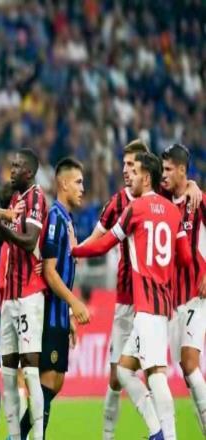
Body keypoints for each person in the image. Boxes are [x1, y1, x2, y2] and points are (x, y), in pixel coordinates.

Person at [72, 152, 193, 440]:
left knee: (156, 373)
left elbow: (103, 245)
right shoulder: (173, 212)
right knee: (124, 371)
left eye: (136, 172)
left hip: (148, 307)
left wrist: (73, 250)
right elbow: (186, 259)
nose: (132, 178)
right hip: (159, 305)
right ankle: (156, 430)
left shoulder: (135, 208)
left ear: (146, 178)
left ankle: (168, 435)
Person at [82, 139, 149, 439]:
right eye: (123, 164)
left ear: (144, 168)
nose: (125, 169)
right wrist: (71, 253)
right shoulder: (117, 202)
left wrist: (193, 187)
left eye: (131, 164)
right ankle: (108, 436)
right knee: (115, 378)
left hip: (153, 303)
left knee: (155, 372)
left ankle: (162, 430)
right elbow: (95, 239)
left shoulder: (159, 200)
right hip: (124, 299)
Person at [30, 157, 89, 439]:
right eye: (78, 182)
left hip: (59, 315)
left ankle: (18, 434)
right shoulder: (54, 217)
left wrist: (68, 315)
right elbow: (50, 272)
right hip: (48, 314)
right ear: (63, 184)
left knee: (56, 382)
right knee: (48, 380)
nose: (82, 188)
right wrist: (74, 303)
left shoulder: (68, 220)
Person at [0, 149, 49, 440]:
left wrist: (3, 228)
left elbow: (29, 241)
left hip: (29, 294)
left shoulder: (36, 198)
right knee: (7, 373)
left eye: (17, 166)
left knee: (29, 370)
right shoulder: (15, 200)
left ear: (29, 172)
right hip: (9, 296)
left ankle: (37, 436)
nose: (12, 169)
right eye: (11, 164)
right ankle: (15, 436)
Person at [161, 144, 205, 434]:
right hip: (173, 301)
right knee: (188, 374)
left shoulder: (198, 201)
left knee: (190, 363)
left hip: (195, 294)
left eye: (168, 169)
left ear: (181, 170)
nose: (163, 174)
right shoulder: (163, 202)